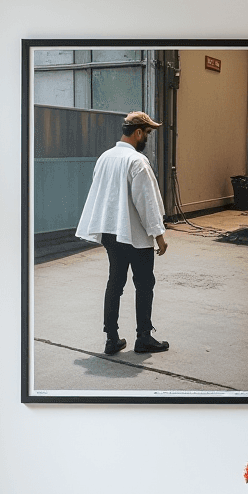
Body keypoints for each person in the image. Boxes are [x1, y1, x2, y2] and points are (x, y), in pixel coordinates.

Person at [75, 111, 170, 355]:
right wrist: (159, 234)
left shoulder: (105, 157)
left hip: (110, 232)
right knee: (144, 284)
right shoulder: (136, 161)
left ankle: (111, 338)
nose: (147, 138)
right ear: (138, 132)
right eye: (147, 133)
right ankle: (144, 337)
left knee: (115, 283)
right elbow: (146, 202)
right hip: (134, 234)